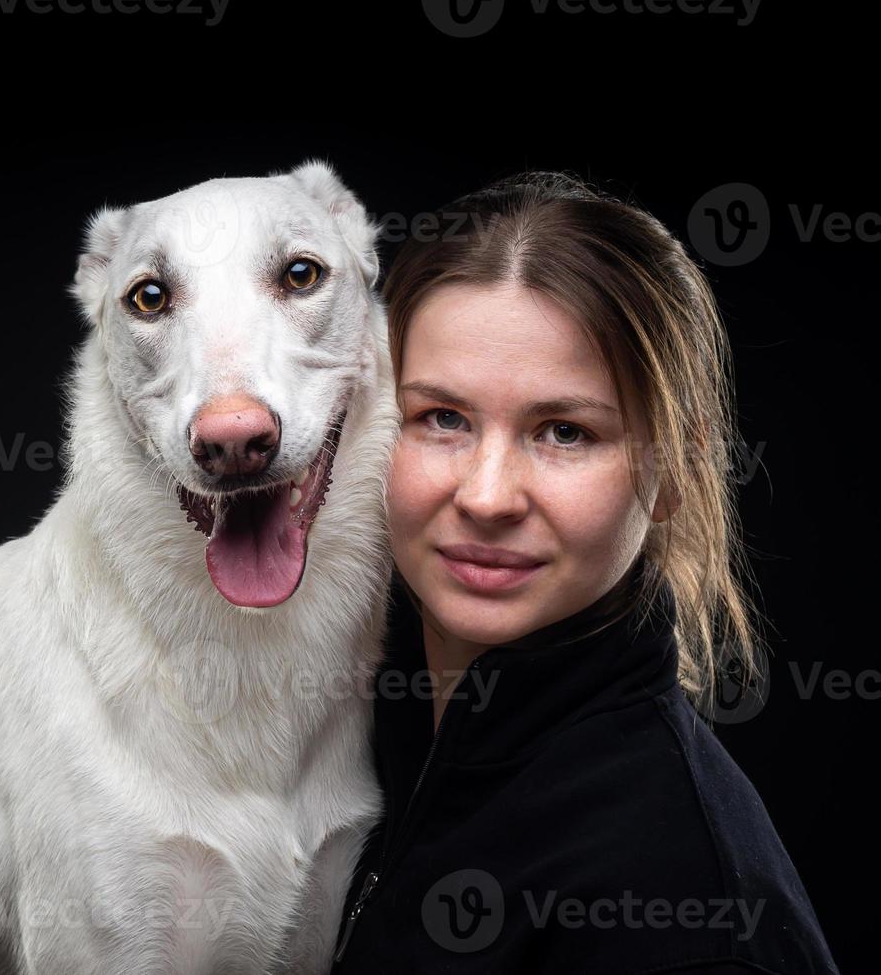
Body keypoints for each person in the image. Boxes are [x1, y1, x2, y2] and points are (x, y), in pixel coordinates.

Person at [330, 172, 838, 973]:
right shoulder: (349, 751)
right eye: (442, 419)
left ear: (673, 472)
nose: (488, 496)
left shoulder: (688, 916)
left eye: (565, 432)